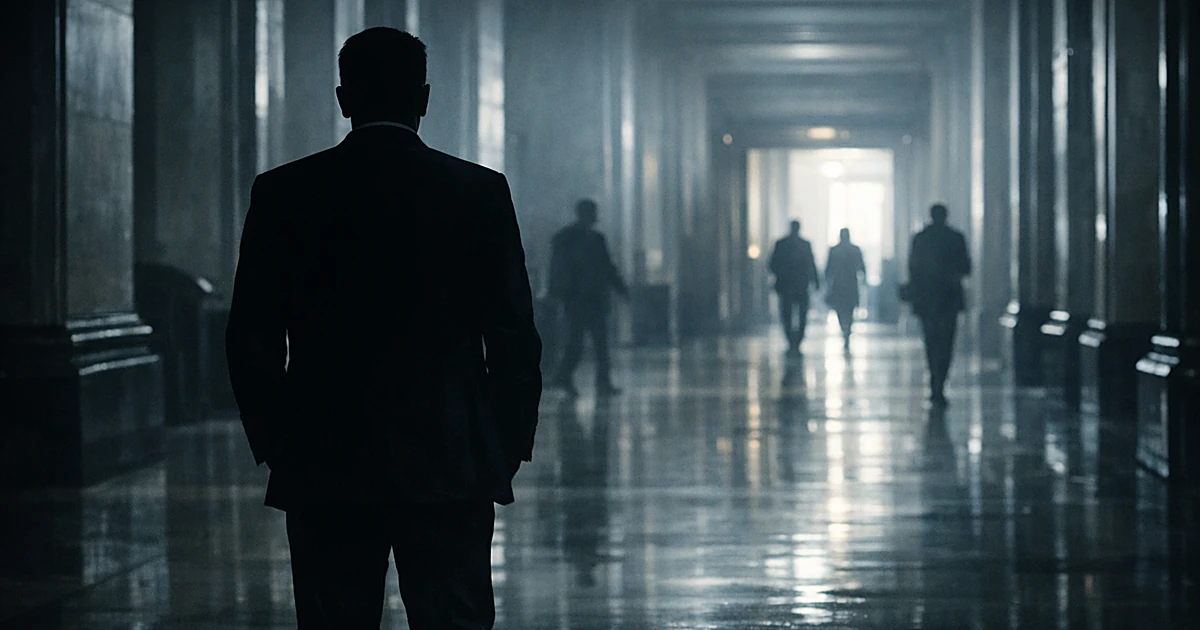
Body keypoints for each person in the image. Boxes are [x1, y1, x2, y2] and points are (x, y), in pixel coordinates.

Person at [225, 28, 542, 630]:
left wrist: (279, 441)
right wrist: (503, 441)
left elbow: (251, 334)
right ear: (424, 99)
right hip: (451, 457)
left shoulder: (285, 192)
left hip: (325, 458)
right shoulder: (479, 192)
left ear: (344, 99)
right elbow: (513, 335)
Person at [547, 199, 628, 397]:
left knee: (599, 343)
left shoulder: (594, 239)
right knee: (577, 342)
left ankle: (599, 381)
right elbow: (558, 268)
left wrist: (620, 288)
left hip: (593, 299)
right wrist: (556, 292)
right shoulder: (566, 239)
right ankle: (566, 376)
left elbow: (607, 268)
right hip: (576, 299)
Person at [907, 203, 971, 407]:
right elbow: (966, 267)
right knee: (947, 342)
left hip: (927, 298)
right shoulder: (956, 238)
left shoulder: (921, 239)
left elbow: (913, 268)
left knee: (931, 340)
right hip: (949, 298)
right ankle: (940, 382)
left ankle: (935, 380)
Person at [769, 220, 820, 355]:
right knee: (800, 313)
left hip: (788, 285)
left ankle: (791, 339)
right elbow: (811, 263)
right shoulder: (804, 245)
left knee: (787, 313)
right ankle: (796, 340)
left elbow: (772, 264)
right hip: (800, 285)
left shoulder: (781, 244)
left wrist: (780, 275)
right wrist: (815, 282)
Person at [825, 228, 866, 351]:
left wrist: (827, 283)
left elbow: (828, 269)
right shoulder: (855, 250)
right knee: (849, 309)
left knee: (841, 310)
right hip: (851, 285)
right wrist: (864, 279)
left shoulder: (834, 250)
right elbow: (862, 266)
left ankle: (845, 330)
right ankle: (847, 331)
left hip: (838, 285)